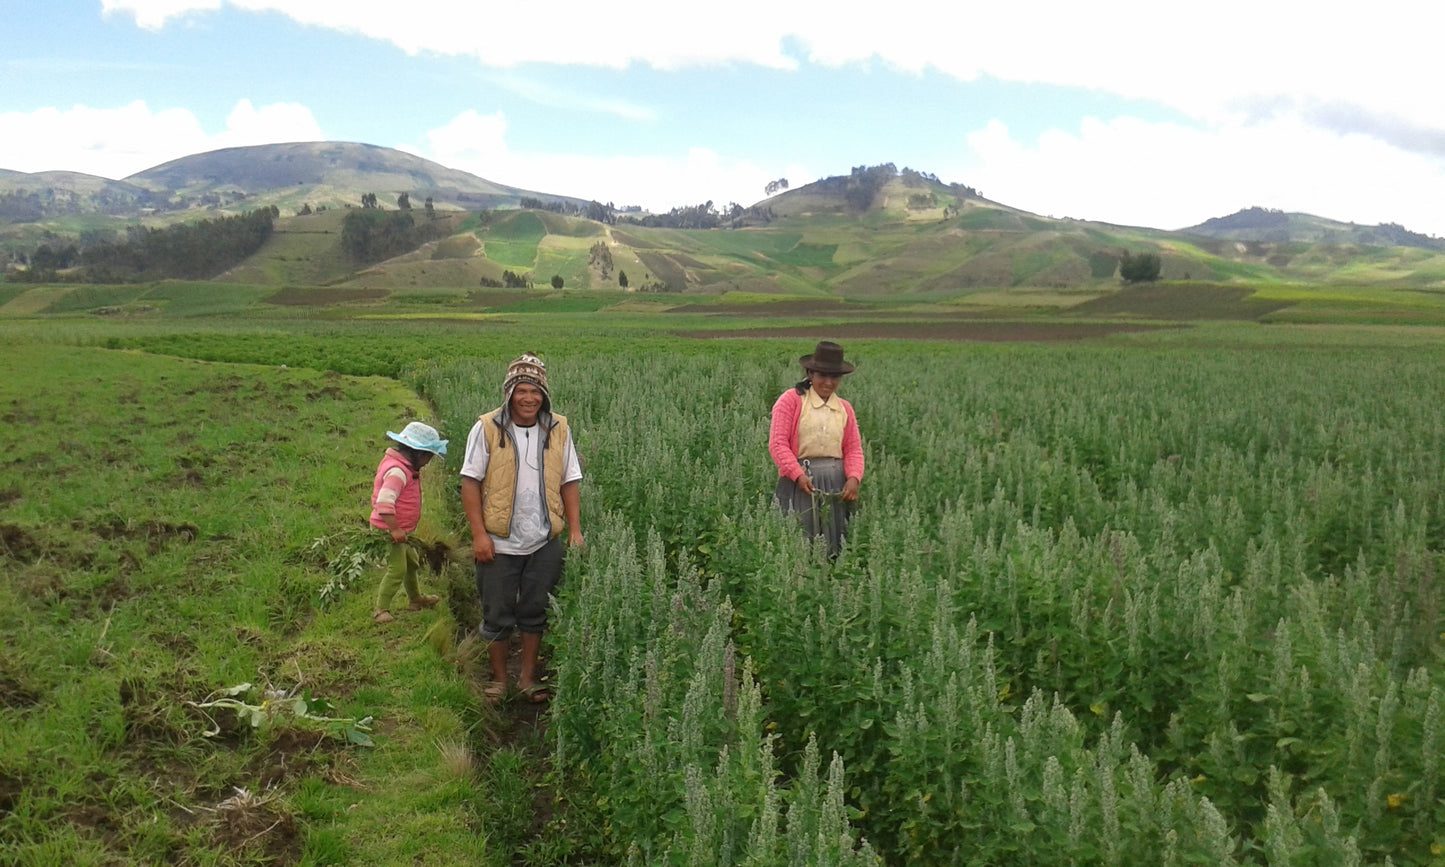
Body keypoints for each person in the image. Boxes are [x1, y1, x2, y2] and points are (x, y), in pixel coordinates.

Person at [460, 353, 584, 704]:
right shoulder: (486, 427)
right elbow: (470, 483)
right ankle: (499, 681)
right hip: (499, 542)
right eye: (522, 390)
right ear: (509, 392)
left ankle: (528, 678)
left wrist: (574, 530)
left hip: (544, 541)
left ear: (545, 394)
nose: (529, 398)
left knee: (535, 612)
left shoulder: (558, 428)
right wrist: (479, 535)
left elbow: (569, 480)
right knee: (496, 613)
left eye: (536, 391)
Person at [769, 340, 864, 557]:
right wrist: (797, 474)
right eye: (822, 375)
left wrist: (854, 478)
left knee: (835, 544)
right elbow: (778, 444)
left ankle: (831, 585)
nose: (828, 382)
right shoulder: (791, 401)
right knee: (799, 543)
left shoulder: (844, 408)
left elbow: (853, 449)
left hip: (835, 485)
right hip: (801, 482)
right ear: (810, 373)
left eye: (834, 377)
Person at [369, 421, 449, 624]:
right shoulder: (397, 472)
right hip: (388, 529)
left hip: (400, 529)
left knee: (412, 563)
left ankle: (415, 599)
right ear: (419, 454)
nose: (428, 463)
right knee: (397, 569)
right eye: (429, 458)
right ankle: (381, 610)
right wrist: (394, 529)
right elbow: (384, 503)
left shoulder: (405, 468)